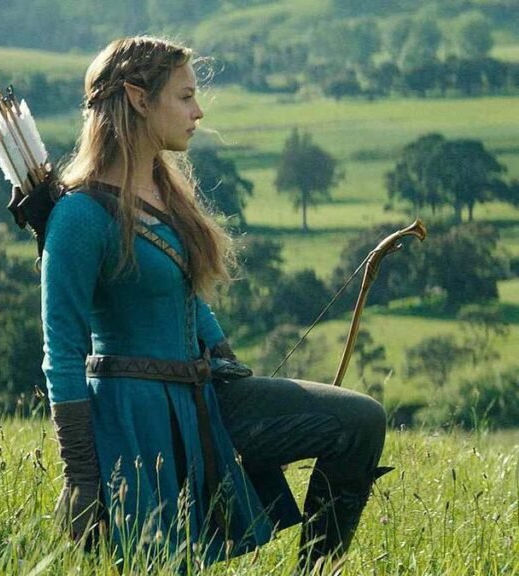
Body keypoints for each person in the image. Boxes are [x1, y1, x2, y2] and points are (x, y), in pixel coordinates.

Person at [39, 36, 388, 572]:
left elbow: (183, 293)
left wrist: (224, 358)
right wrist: (82, 474)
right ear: (138, 99)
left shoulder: (163, 195)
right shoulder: (79, 216)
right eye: (184, 97)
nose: (198, 111)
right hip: (136, 420)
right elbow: (61, 353)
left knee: (358, 422)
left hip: (203, 397)